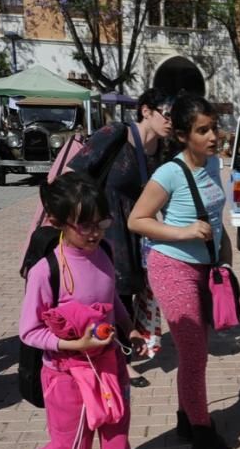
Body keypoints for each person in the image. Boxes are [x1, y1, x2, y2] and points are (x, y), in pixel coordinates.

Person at [18, 173, 146, 449]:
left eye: (101, 222)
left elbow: (113, 299)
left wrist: (129, 328)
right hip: (65, 374)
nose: (95, 233)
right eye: (85, 225)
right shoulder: (47, 271)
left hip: (108, 368)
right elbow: (28, 333)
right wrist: (73, 346)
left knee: (117, 443)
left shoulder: (104, 252)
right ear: (58, 222)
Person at [128, 94, 240, 449]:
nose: (213, 136)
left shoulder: (212, 164)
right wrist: (183, 233)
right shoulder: (169, 173)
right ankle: (203, 435)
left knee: (196, 351)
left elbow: (212, 211)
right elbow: (137, 220)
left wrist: (223, 250)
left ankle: (185, 419)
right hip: (171, 266)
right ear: (182, 135)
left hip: (205, 267)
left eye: (214, 128)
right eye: (203, 130)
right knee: (194, 355)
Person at [67, 88, 173, 388]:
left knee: (125, 299)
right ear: (146, 111)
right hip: (101, 231)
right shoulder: (115, 133)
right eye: (166, 114)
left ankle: (121, 359)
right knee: (106, 298)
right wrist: (83, 222)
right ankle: (111, 362)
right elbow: (73, 174)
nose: (170, 122)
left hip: (135, 235)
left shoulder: (162, 150)